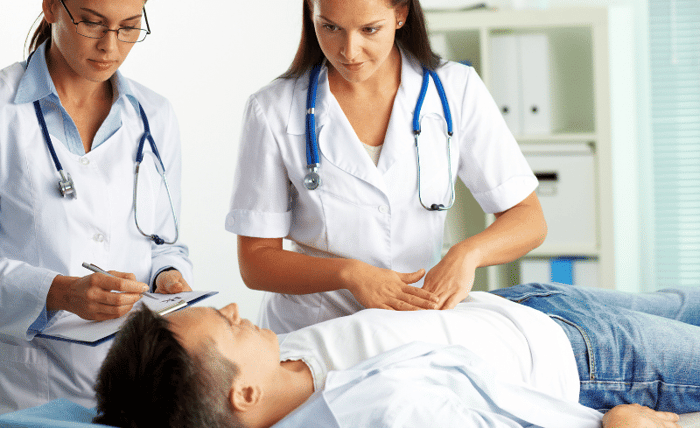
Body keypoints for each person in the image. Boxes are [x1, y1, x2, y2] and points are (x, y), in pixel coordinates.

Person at [226, 0, 547, 333]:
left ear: (400, 13)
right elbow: (256, 260)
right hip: (314, 333)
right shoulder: (273, 109)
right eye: (331, 27)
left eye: (369, 30)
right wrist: (348, 274)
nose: (349, 51)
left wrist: (468, 253)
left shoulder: (455, 89)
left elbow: (528, 218)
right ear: (312, 10)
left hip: (415, 329)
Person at [0, 0, 193, 413]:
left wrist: (170, 276)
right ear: (52, 4)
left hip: (130, 379)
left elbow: (164, 242)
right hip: (22, 381)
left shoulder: (154, 115)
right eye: (91, 22)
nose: (111, 45)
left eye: (129, 27)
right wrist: (59, 292)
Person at [92, 282, 699, 428]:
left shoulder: (279, 364)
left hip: (524, 304)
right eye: (228, 326)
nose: (234, 311)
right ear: (242, 394)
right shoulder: (380, 413)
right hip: (592, 361)